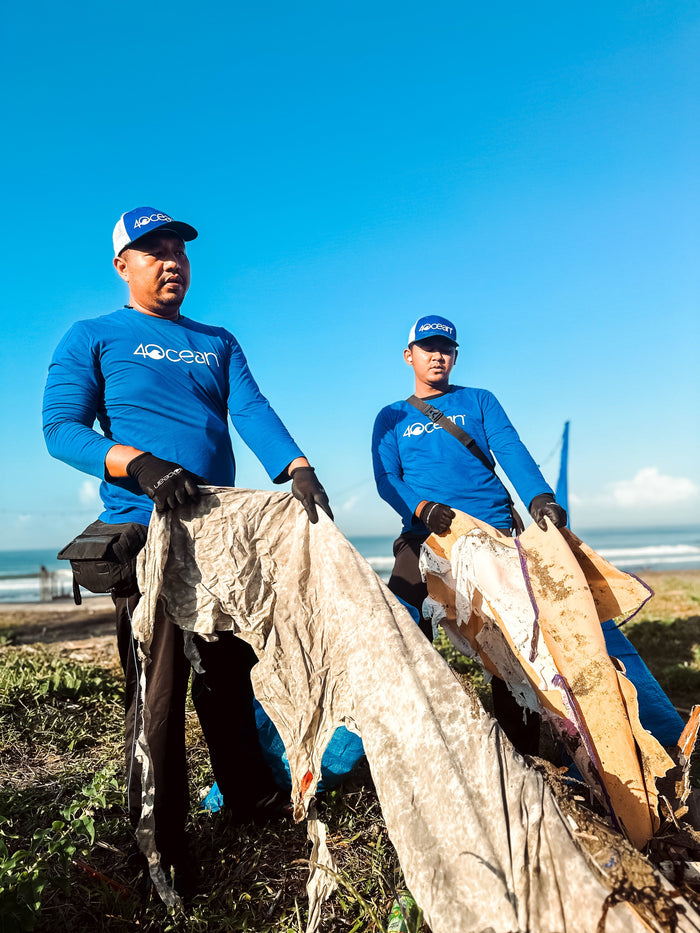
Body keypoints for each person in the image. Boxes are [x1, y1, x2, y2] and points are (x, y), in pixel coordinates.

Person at [42, 206, 333, 893]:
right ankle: (158, 847)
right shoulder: (94, 335)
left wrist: (293, 465)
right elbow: (61, 428)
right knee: (160, 694)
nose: (170, 260)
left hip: (219, 540)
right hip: (148, 537)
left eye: (178, 250)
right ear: (124, 265)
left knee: (229, 680)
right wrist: (135, 463)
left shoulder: (216, 340)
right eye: (153, 251)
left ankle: (251, 800)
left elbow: (251, 409)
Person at [371, 314, 566, 754]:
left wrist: (538, 498)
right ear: (409, 356)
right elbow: (387, 479)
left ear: (455, 356)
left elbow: (511, 448)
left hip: (492, 533)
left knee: (510, 646)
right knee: (400, 633)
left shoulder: (480, 400)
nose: (437, 355)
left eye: (446, 348)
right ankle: (406, 740)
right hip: (425, 537)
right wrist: (424, 509)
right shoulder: (392, 416)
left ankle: (525, 753)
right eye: (428, 347)